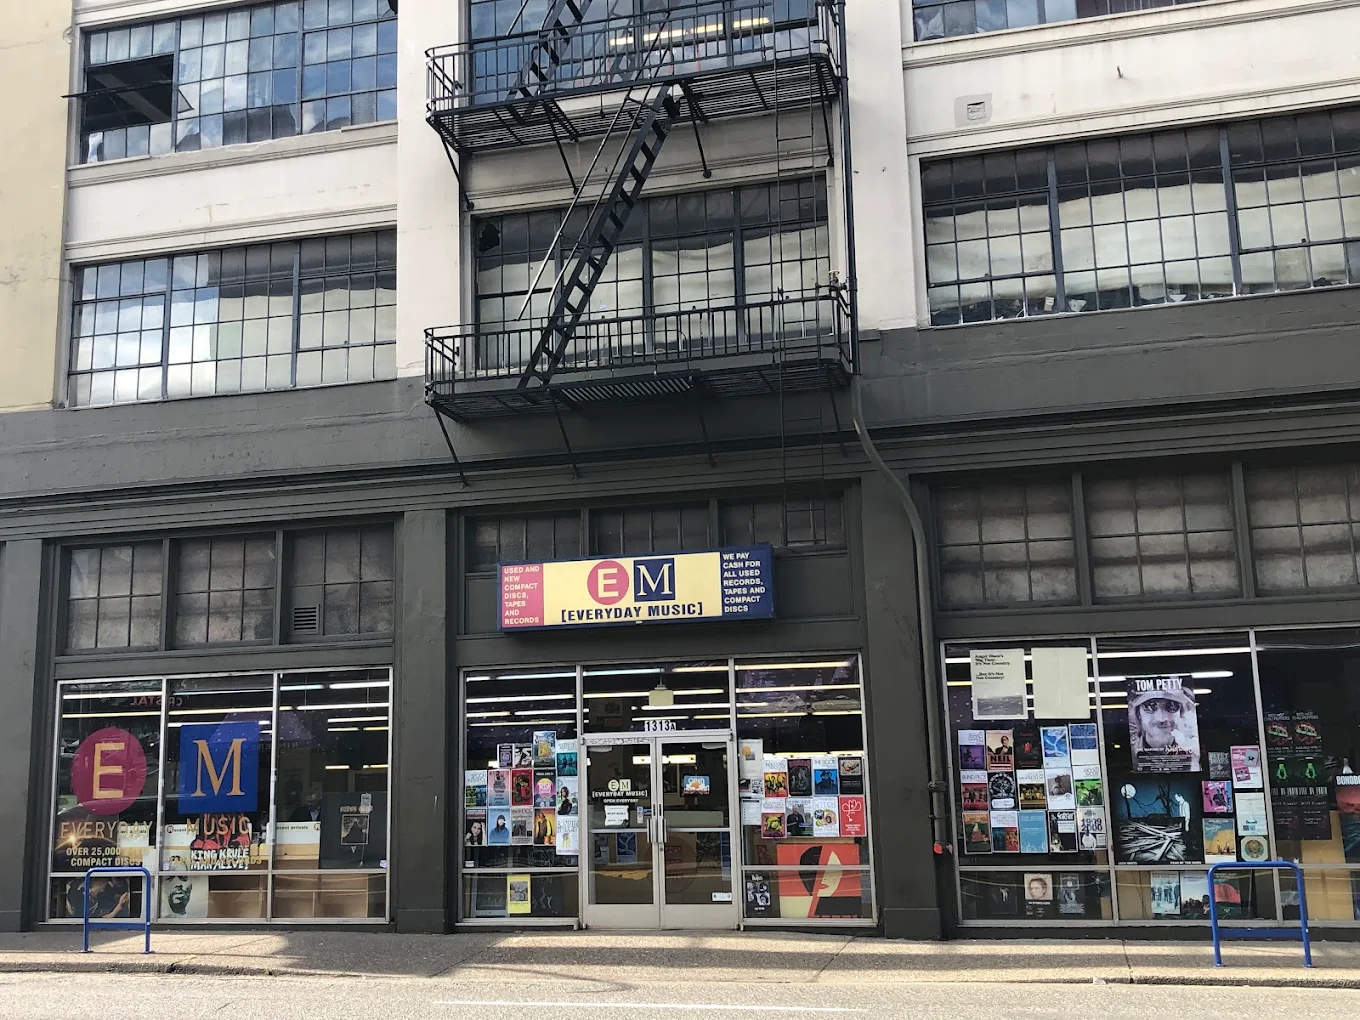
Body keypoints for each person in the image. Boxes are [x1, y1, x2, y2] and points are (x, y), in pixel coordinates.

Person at [1129, 685, 1200, 770]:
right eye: (1150, 707)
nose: (1161, 718)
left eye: (1172, 707)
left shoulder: (1194, 755)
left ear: (1180, 713)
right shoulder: (1127, 754)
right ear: (1138, 714)